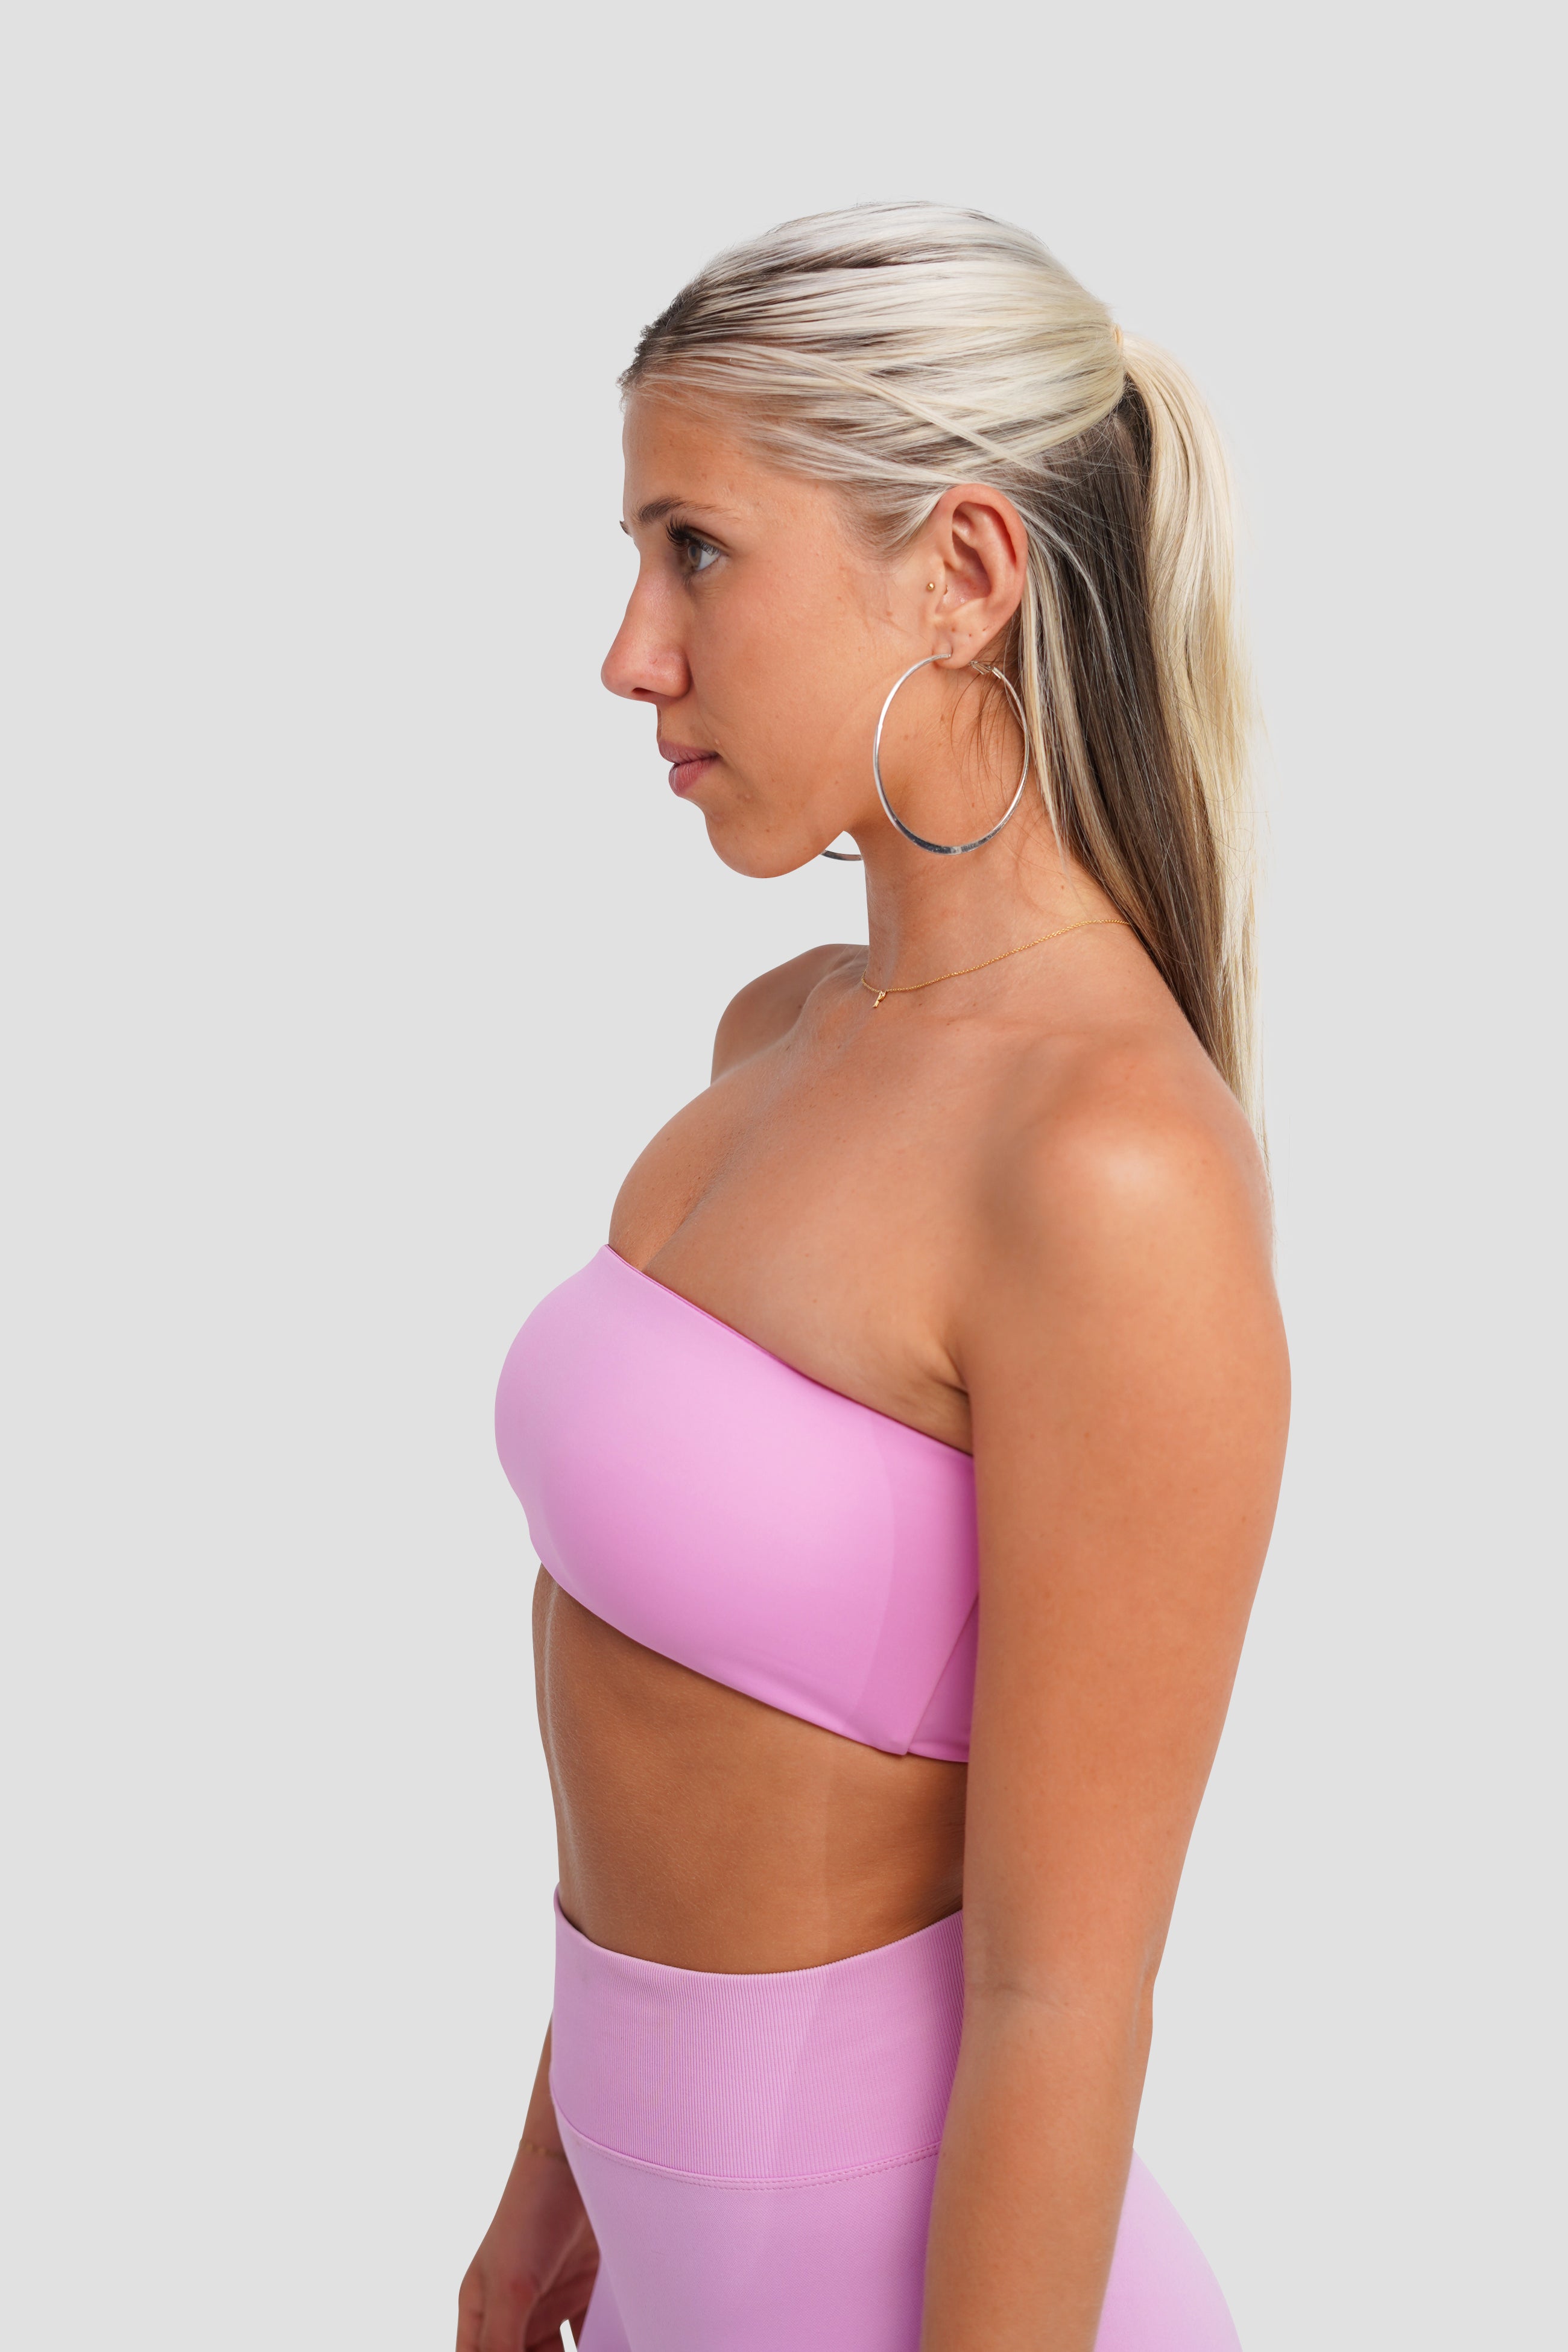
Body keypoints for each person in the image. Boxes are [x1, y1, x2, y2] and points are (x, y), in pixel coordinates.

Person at [457, 202, 1289, 2352]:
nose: (631, 651)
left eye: (697, 551)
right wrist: (549, 2188)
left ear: (967, 571)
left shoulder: (1111, 1170)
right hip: (669, 2275)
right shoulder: (779, 1035)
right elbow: (647, 1705)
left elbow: (1062, 1991)